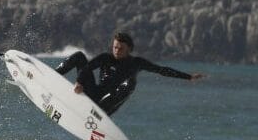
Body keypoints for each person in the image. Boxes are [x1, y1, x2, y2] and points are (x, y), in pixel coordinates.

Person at [55, 31, 205, 116]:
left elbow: (162, 70)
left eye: (120, 48)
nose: (116, 51)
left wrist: (188, 77)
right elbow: (88, 68)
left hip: (107, 105)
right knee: (79, 56)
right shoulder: (105, 58)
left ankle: (98, 113)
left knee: (131, 82)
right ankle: (52, 74)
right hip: (93, 94)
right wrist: (80, 82)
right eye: (115, 47)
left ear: (129, 49)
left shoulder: (136, 63)